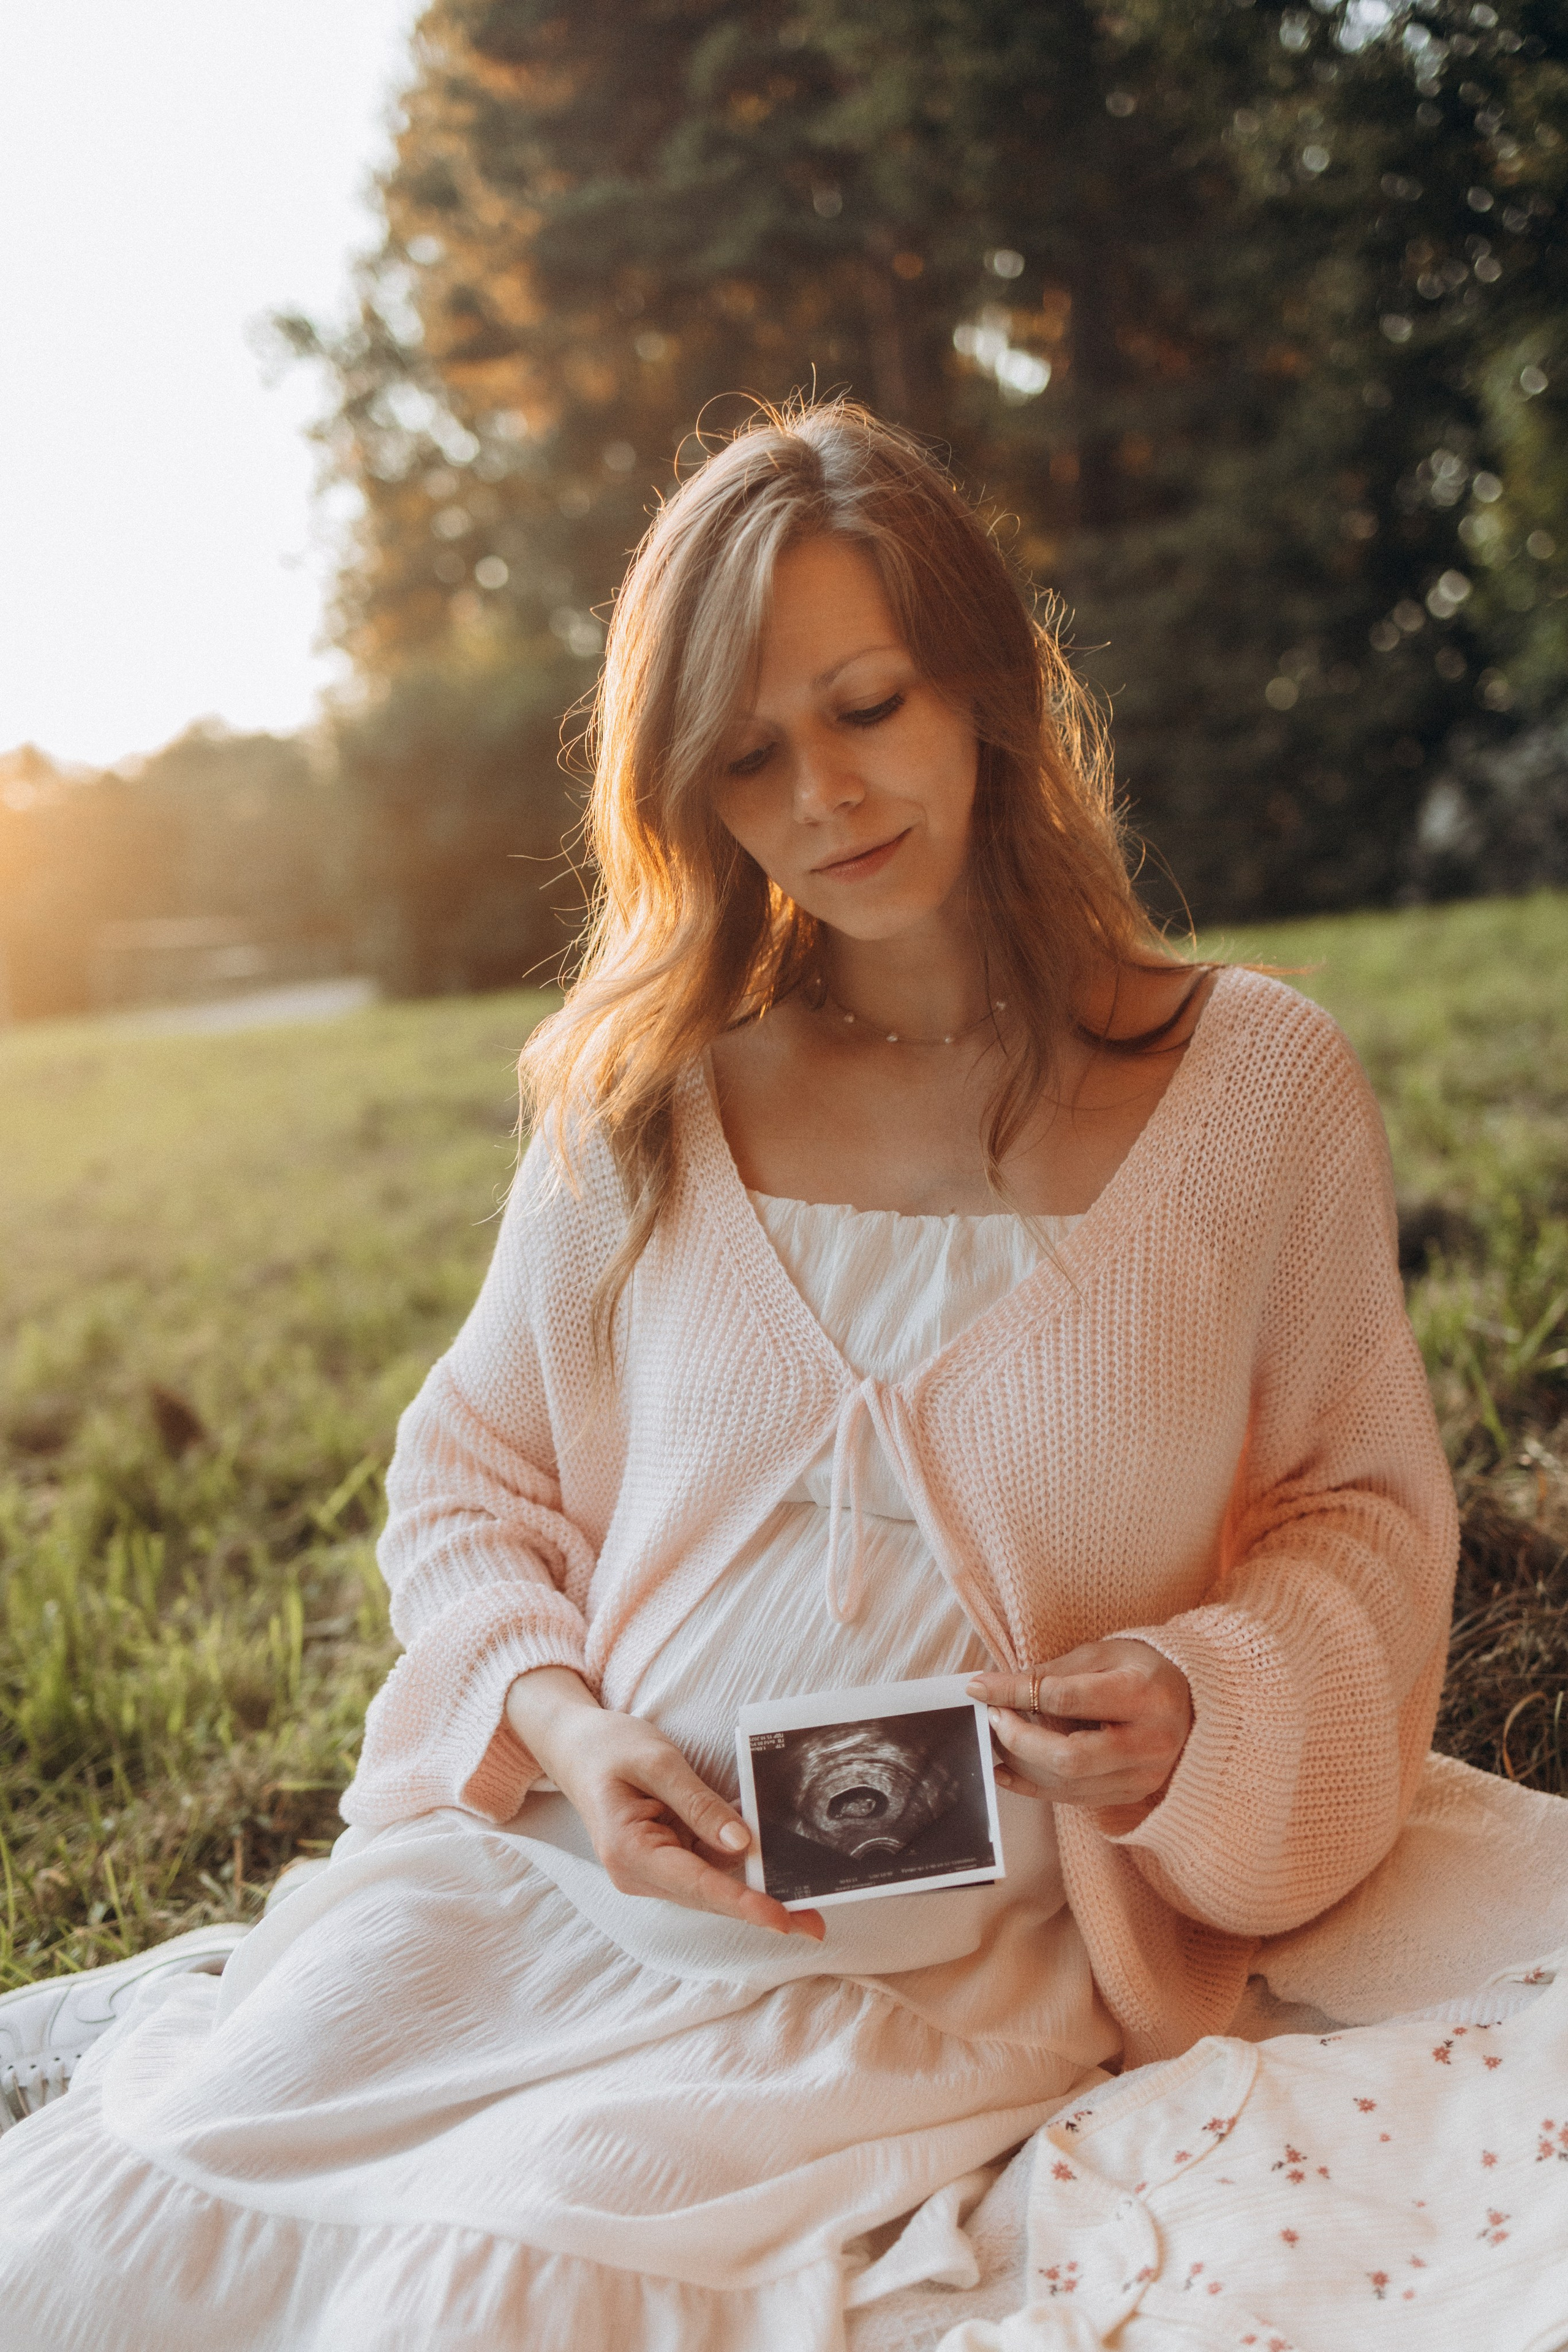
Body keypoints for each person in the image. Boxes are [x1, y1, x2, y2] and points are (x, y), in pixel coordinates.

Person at [2, 399, 1558, 2351]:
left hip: (946, 1970)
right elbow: (466, 1484)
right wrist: (569, 1736)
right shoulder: (647, 1100)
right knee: (107, 2250)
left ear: (985, 685)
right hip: (571, 1891)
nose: (823, 793)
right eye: (747, 755)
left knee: (513, 2282)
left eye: (866, 703)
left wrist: (1199, 1699)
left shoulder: (1252, 1091)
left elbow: (1358, 1519)